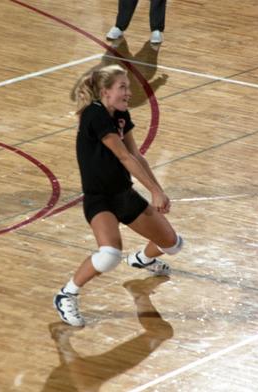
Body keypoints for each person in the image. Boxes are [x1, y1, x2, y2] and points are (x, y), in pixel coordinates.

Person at [53, 64, 183, 327]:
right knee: (109, 255)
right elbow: (123, 156)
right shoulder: (95, 115)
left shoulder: (122, 115)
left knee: (173, 244)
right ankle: (66, 294)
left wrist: (159, 190)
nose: (128, 93)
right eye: (122, 87)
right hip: (99, 198)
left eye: (128, 87)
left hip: (123, 194)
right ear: (105, 92)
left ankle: (142, 259)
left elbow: (135, 154)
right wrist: (155, 191)